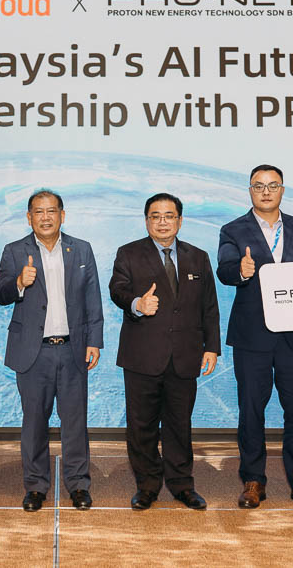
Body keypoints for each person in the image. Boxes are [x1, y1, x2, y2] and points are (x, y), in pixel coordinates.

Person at [216, 165, 293, 511]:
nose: (265, 191)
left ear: (282, 190)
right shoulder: (233, 229)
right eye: (258, 186)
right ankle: (253, 480)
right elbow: (224, 269)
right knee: (251, 411)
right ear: (250, 190)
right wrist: (240, 271)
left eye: (272, 185)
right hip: (252, 336)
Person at [109, 193, 220, 511]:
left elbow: (209, 306)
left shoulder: (198, 257)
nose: (162, 222)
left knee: (179, 425)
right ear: (146, 221)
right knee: (141, 426)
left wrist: (212, 347)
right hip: (142, 356)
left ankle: (183, 485)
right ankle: (147, 486)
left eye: (169, 216)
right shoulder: (129, 253)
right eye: (155, 216)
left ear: (180, 221)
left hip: (185, 356)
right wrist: (137, 304)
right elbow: (117, 289)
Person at [0, 190, 103, 512]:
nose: (45, 217)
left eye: (51, 211)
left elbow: (92, 298)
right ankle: (36, 486)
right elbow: (0, 294)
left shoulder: (81, 249)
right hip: (34, 353)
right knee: (34, 423)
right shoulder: (14, 251)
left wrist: (94, 341)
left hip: (72, 350)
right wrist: (19, 282)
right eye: (38, 212)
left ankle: (78, 485)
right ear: (29, 217)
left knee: (75, 423)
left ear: (62, 215)